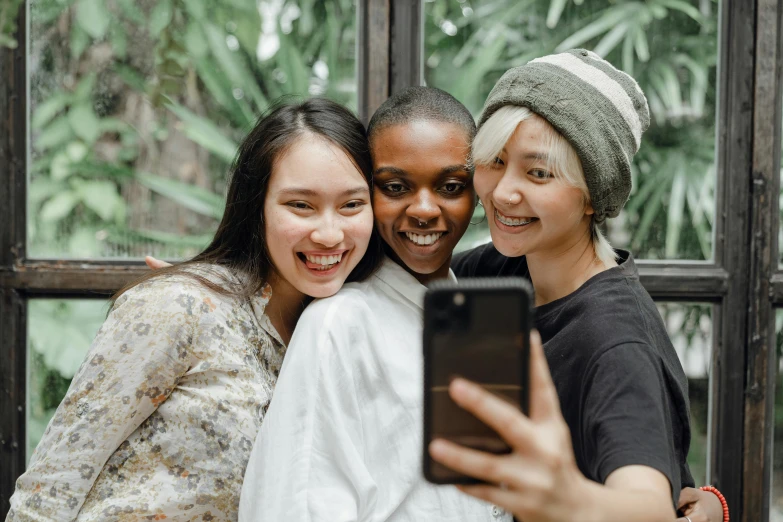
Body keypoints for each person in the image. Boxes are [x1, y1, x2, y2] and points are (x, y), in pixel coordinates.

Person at [7, 98, 383, 521]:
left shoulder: (333, 336)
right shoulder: (180, 306)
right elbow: (47, 491)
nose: (330, 234)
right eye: (300, 205)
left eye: (351, 205)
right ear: (256, 207)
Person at [432, 49, 726, 522]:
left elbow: (647, 505)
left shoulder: (615, 339)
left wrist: (568, 500)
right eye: (496, 160)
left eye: (539, 173)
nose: (504, 192)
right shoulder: (504, 268)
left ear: (593, 195)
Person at [237, 87, 513, 521]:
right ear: (368, 194)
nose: (424, 209)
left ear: (477, 192)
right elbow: (296, 507)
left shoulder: (472, 314)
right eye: (396, 186)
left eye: (451, 186)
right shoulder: (338, 324)